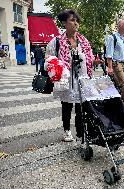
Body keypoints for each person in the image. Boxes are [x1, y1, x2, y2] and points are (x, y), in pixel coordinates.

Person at [45, 9, 102, 142]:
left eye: (76, 20)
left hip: (82, 79)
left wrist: (95, 61)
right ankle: (66, 131)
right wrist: (56, 66)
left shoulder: (83, 41)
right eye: (72, 20)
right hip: (66, 80)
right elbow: (48, 59)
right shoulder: (56, 41)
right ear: (64, 23)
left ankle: (80, 132)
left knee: (81, 107)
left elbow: (89, 59)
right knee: (67, 106)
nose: (75, 23)